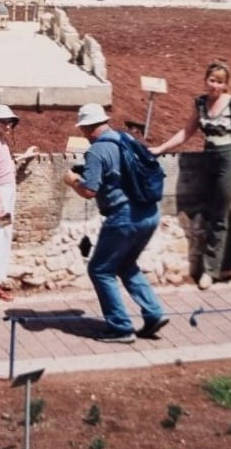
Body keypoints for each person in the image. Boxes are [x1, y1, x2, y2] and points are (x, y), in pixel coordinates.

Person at [149, 61, 231, 290]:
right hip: (208, 160)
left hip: (228, 162)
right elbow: (187, 131)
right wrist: (160, 149)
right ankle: (230, 263)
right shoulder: (201, 103)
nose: (215, 86)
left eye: (220, 82)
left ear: (226, 84)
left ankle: (210, 271)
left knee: (218, 216)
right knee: (220, 211)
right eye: (212, 80)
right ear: (206, 80)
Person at [62, 104, 168, 343]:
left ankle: (120, 327)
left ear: (86, 128)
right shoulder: (125, 138)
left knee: (100, 270)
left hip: (123, 217)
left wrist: (72, 181)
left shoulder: (97, 151)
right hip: (149, 212)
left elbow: (89, 190)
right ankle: (153, 313)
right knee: (126, 263)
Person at [0, 105, 37, 309]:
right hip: (0, 196)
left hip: (9, 193)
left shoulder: (4, 144)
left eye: (9, 122)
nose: (7, 125)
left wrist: (26, 156)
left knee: (4, 240)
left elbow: (8, 164)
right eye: (3, 122)